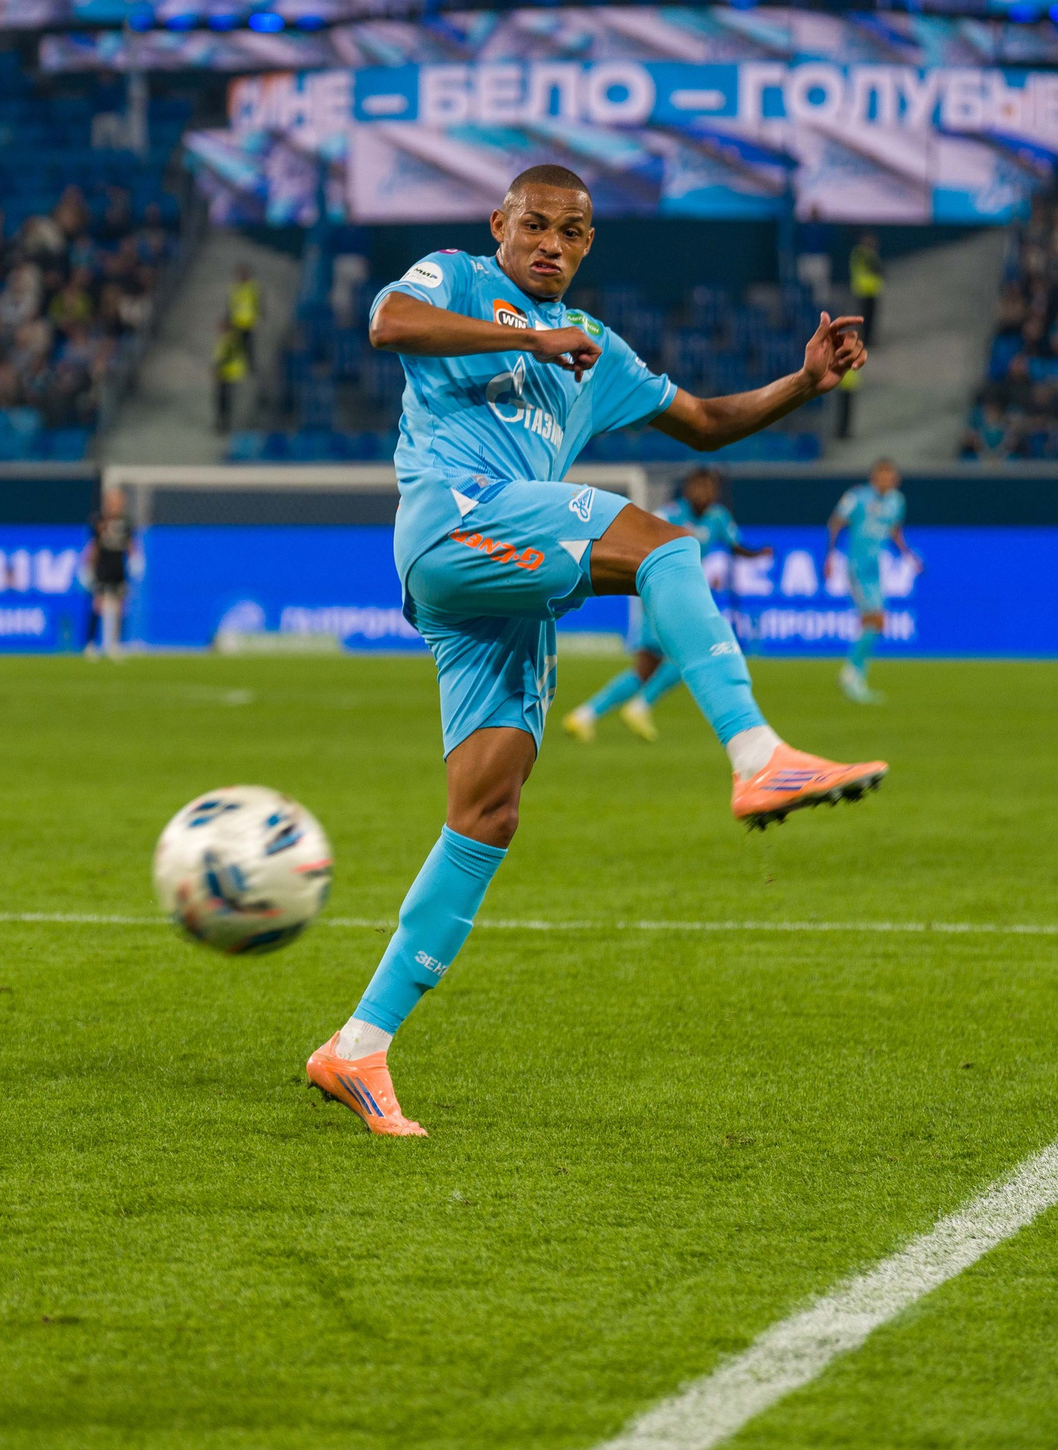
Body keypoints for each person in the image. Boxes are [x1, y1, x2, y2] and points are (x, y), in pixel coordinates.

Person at [305, 164, 889, 1138]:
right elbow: (388, 326)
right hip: (457, 517)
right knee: (666, 546)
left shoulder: (598, 350)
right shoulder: (454, 277)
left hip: (504, 581)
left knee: (486, 813)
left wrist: (803, 382)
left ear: (586, 246)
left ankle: (358, 1044)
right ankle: (758, 755)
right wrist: (527, 335)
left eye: (572, 232)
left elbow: (700, 419)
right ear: (498, 223)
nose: (551, 243)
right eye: (534, 224)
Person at [563, 465, 770, 743]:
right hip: (658, 594)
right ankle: (640, 707)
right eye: (699, 487)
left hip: (680, 593)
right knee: (689, 653)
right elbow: (643, 537)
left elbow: (735, 545)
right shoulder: (671, 514)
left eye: (710, 488)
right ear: (688, 489)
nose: (704, 493)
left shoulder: (718, 518)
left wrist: (758, 554)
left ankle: (584, 715)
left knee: (645, 669)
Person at [827, 458, 919, 704]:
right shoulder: (857, 497)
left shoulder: (897, 501)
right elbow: (835, 522)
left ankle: (854, 675)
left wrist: (909, 556)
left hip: (875, 570)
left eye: (889, 475)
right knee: (874, 620)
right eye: (881, 475)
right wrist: (829, 556)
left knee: (876, 623)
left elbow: (895, 532)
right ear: (873, 477)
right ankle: (852, 676)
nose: (885, 480)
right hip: (857, 568)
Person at [840, 232, 881, 440]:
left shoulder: (867, 254)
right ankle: (842, 433)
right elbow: (869, 267)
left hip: (871, 289)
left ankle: (845, 432)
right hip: (863, 289)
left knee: (872, 317)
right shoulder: (862, 254)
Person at [87, 487, 133, 659]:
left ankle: (115, 644)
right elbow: (94, 546)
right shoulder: (99, 521)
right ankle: (91, 643)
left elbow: (129, 544)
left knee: (120, 605)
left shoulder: (126, 523)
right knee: (98, 604)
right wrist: (88, 566)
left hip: (118, 567)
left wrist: (135, 559)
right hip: (103, 567)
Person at [213, 268, 259, 433]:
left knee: (224, 401)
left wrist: (217, 368)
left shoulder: (229, 341)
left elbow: (226, 356)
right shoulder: (226, 339)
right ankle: (222, 424)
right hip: (226, 371)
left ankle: (224, 425)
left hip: (227, 373)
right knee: (222, 401)